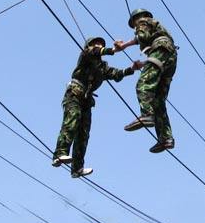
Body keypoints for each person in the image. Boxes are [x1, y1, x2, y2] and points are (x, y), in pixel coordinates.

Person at [52, 36, 141, 177]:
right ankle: (60, 153)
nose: (99, 45)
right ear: (90, 45)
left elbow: (116, 74)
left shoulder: (102, 67)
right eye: (97, 43)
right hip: (74, 94)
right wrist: (113, 50)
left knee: (84, 133)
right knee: (72, 120)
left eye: (101, 44)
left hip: (86, 100)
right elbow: (94, 51)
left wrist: (132, 69)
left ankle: (77, 168)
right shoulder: (86, 55)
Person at [114, 9, 177, 153]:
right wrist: (142, 64)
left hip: (161, 49)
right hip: (169, 56)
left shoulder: (143, 22)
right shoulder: (156, 27)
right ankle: (166, 138)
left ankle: (147, 115)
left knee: (143, 84)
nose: (136, 26)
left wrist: (124, 45)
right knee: (158, 100)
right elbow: (158, 53)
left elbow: (143, 36)